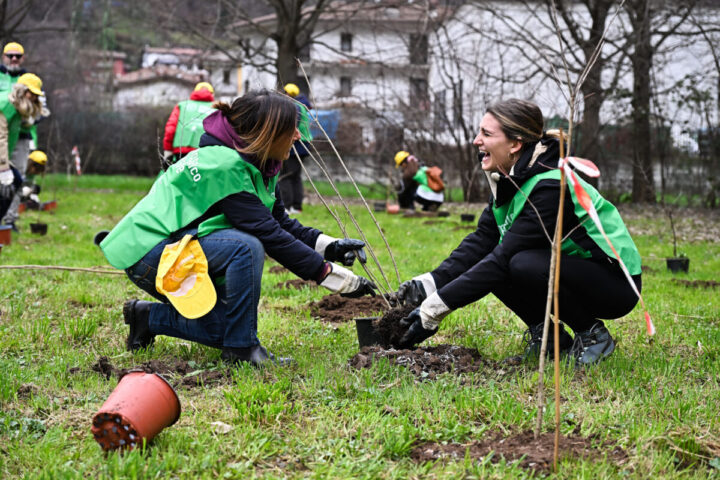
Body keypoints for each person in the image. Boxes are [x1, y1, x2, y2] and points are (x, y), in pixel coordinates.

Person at [100, 90, 376, 367]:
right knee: (247, 247)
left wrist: (330, 246)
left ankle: (147, 317)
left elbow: (279, 221)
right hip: (149, 254)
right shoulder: (225, 167)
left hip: (179, 251)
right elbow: (269, 234)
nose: (297, 136)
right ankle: (242, 351)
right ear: (268, 132)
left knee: (225, 328)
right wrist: (333, 277)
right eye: (290, 129)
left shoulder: (257, 163)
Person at [394, 99, 642, 367]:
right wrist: (430, 283)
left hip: (614, 282)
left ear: (515, 144)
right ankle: (550, 340)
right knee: (498, 261)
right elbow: (482, 242)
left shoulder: (549, 186)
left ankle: (593, 336)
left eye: (486, 134)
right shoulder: (510, 179)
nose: (477, 141)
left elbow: (502, 260)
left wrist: (434, 310)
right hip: (574, 272)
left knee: (519, 264)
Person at [0, 43, 48, 230]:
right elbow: (1, 136)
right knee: (10, 181)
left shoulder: (18, 105)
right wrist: (3, 168)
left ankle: (7, 221)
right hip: (1, 151)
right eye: (32, 95)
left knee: (17, 180)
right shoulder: (6, 104)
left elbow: (25, 124)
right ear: (23, 92)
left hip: (9, 148)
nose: (34, 98)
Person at [162, 81, 216, 169]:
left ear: (194, 91)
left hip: (181, 150)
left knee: (181, 178)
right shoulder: (216, 108)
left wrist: (168, 151)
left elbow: (170, 129)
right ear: (212, 94)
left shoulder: (182, 106)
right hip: (206, 152)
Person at [278, 83, 312, 214]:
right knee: (295, 176)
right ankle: (297, 206)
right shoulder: (302, 106)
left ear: (287, 94)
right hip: (304, 145)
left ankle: (287, 206)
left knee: (285, 175)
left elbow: (291, 127)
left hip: (295, 146)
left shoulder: (293, 107)